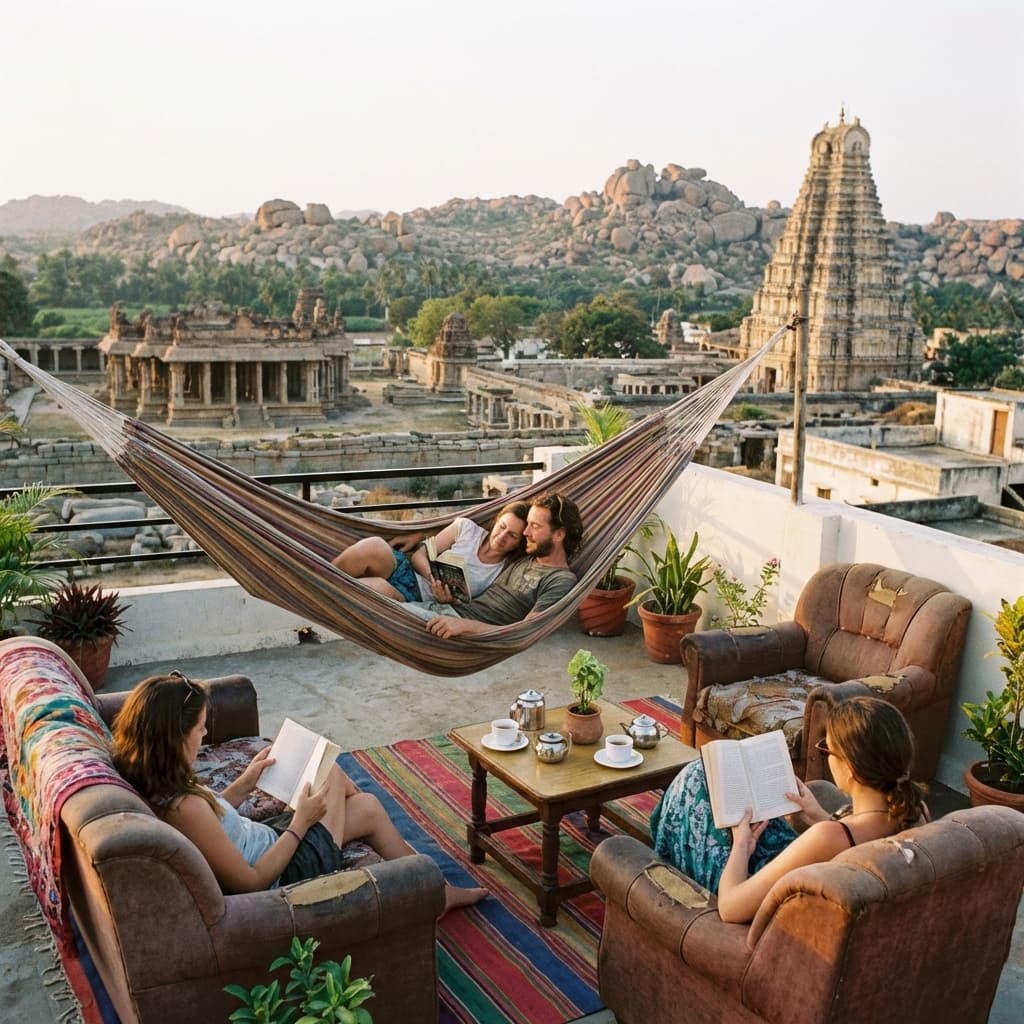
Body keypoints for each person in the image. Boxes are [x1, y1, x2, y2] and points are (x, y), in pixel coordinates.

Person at [111, 671, 487, 914]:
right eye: (200, 729)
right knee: (334, 774)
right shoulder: (184, 806)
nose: (206, 736)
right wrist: (302, 822)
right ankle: (434, 889)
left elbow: (214, 822)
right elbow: (252, 881)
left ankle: (437, 892)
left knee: (367, 806)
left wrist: (247, 780)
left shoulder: (156, 777)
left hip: (266, 839)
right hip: (286, 872)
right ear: (174, 737)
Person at [650, 695, 929, 924]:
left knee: (695, 781)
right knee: (709, 784)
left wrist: (741, 848)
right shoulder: (917, 812)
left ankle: (657, 859)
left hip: (759, 905)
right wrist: (818, 814)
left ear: (851, 769)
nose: (827, 757)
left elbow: (731, 907)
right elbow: (852, 848)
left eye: (827, 751)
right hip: (799, 881)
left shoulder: (826, 836)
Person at [403, 492, 584, 638]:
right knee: (379, 606)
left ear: (559, 535)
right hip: (444, 610)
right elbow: (473, 533)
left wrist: (465, 626)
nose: (526, 533)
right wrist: (421, 534)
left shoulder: (560, 580)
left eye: (535, 526)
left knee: (376, 615)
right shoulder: (525, 556)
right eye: (527, 525)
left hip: (459, 628)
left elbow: (525, 632)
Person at [331, 502, 529, 605]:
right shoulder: (465, 528)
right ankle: (319, 576)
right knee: (373, 545)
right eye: (502, 527)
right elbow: (419, 555)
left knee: (376, 587)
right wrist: (432, 577)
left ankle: (322, 588)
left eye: (512, 535)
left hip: (413, 596)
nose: (502, 536)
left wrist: (448, 599)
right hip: (406, 569)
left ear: (520, 542)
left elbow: (474, 605)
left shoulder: (502, 572)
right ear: (497, 520)